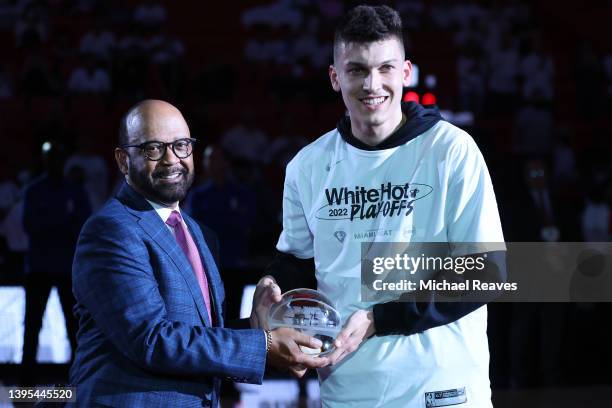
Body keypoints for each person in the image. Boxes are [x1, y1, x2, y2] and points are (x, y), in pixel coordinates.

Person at [251, 5, 506, 407]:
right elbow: (298, 260)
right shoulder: (307, 166)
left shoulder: (452, 150)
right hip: (348, 391)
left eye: (386, 68)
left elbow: (486, 269)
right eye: (356, 70)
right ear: (335, 77)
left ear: (406, 73)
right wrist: (271, 284)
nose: (373, 84)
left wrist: (379, 318)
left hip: (444, 390)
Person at [68, 100, 328, 407]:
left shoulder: (201, 234)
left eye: (181, 145)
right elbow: (152, 340)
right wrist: (264, 345)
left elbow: (199, 334)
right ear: (123, 160)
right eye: (153, 148)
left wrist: (266, 327)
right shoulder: (110, 230)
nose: (171, 159)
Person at [21, 140, 90, 385]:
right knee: (31, 326)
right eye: (49, 157)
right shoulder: (32, 190)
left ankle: (79, 381)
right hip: (39, 267)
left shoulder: (75, 191)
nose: (53, 162)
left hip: (66, 267)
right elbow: (30, 226)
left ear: (63, 161)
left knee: (74, 327)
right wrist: (62, 224)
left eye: (58, 158)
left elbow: (82, 227)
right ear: (43, 160)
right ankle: (26, 383)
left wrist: (51, 226)